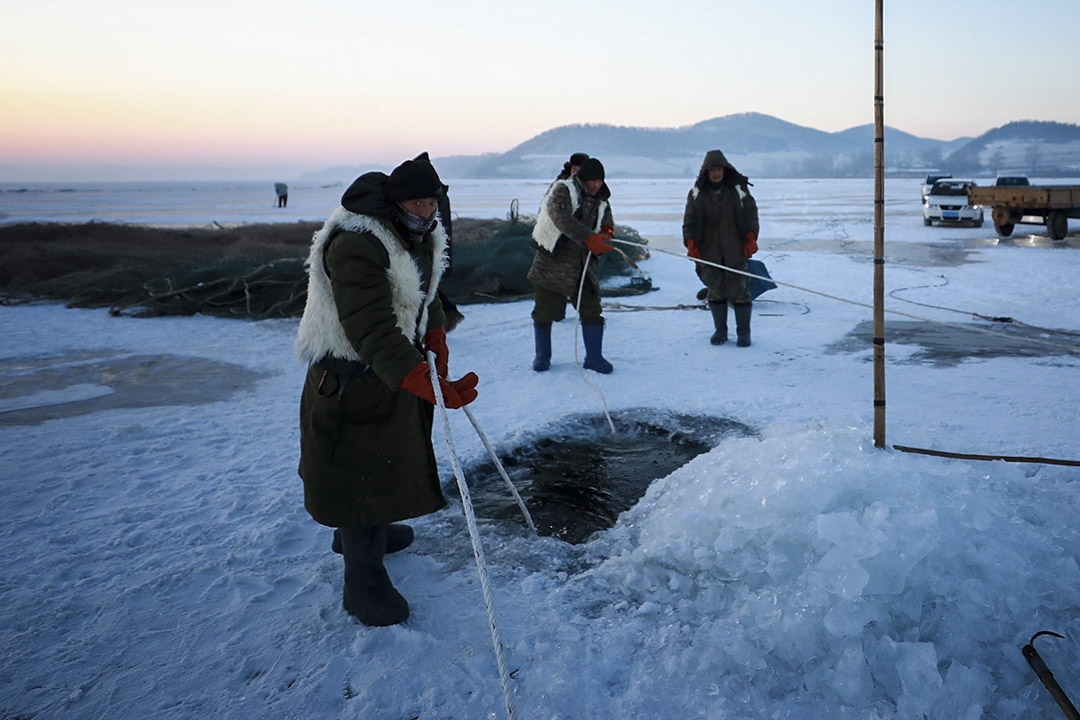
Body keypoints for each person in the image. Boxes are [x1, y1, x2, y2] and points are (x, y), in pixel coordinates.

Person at [294, 153, 479, 627]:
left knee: (384, 465)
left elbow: (425, 293)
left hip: (389, 371)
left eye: (431, 200)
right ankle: (363, 580)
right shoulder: (356, 244)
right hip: (349, 377)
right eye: (417, 201)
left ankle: (364, 529)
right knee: (357, 474)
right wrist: (423, 380)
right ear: (395, 202)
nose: (426, 209)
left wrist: (435, 337)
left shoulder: (419, 233)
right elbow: (370, 327)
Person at [528, 157, 616, 373]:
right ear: (583, 179)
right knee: (544, 312)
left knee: (592, 310)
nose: (596, 185)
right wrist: (588, 238)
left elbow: (608, 223)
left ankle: (594, 358)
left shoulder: (602, 200)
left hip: (583, 265)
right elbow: (561, 217)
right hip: (552, 263)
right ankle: (542, 356)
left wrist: (606, 236)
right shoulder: (563, 189)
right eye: (592, 180)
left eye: (600, 180)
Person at [682, 150, 760, 347]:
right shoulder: (696, 193)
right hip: (709, 250)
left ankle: (744, 333)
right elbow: (689, 222)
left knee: (739, 290)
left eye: (719, 170)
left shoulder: (738, 189)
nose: (716, 174)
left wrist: (751, 237)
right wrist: (691, 243)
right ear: (706, 173)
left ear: (725, 170)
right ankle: (720, 330)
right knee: (715, 290)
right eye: (712, 170)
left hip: (736, 249)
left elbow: (751, 214)